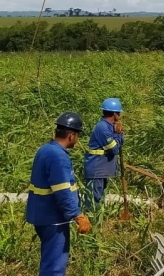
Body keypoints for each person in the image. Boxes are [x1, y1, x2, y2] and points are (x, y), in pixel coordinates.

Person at [26, 112, 92, 276]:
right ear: (71, 136)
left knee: (49, 261)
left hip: (41, 216)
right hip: (53, 219)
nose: (77, 140)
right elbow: (63, 190)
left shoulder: (45, 149)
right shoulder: (58, 157)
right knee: (54, 267)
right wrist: (78, 216)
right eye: (77, 136)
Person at [84, 97, 124, 211]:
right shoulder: (103, 128)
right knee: (93, 201)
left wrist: (119, 134)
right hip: (97, 170)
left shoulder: (109, 126)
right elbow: (114, 149)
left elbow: (119, 143)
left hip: (102, 170)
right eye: (119, 113)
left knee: (99, 199)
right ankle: (91, 224)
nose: (120, 116)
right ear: (114, 114)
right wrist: (118, 135)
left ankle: (97, 224)